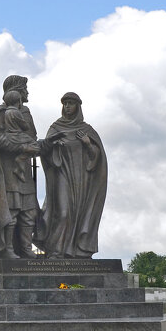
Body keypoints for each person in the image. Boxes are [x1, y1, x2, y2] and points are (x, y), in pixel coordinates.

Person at [36, 92, 108, 258]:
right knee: (63, 212)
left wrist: (88, 144)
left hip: (82, 180)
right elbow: (44, 149)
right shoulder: (55, 127)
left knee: (78, 213)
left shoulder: (87, 130)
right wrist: (54, 145)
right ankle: (55, 251)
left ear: (78, 106)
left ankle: (74, 251)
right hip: (62, 175)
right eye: (65, 103)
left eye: (70, 103)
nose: (67, 106)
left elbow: (97, 157)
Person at [0, 75, 43, 259]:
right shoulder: (1, 113)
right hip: (7, 171)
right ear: (17, 91)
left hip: (25, 168)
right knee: (12, 210)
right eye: (25, 88)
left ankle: (25, 248)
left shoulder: (26, 112)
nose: (27, 92)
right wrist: (21, 146)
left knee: (30, 210)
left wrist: (34, 146)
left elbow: (32, 134)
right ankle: (8, 248)